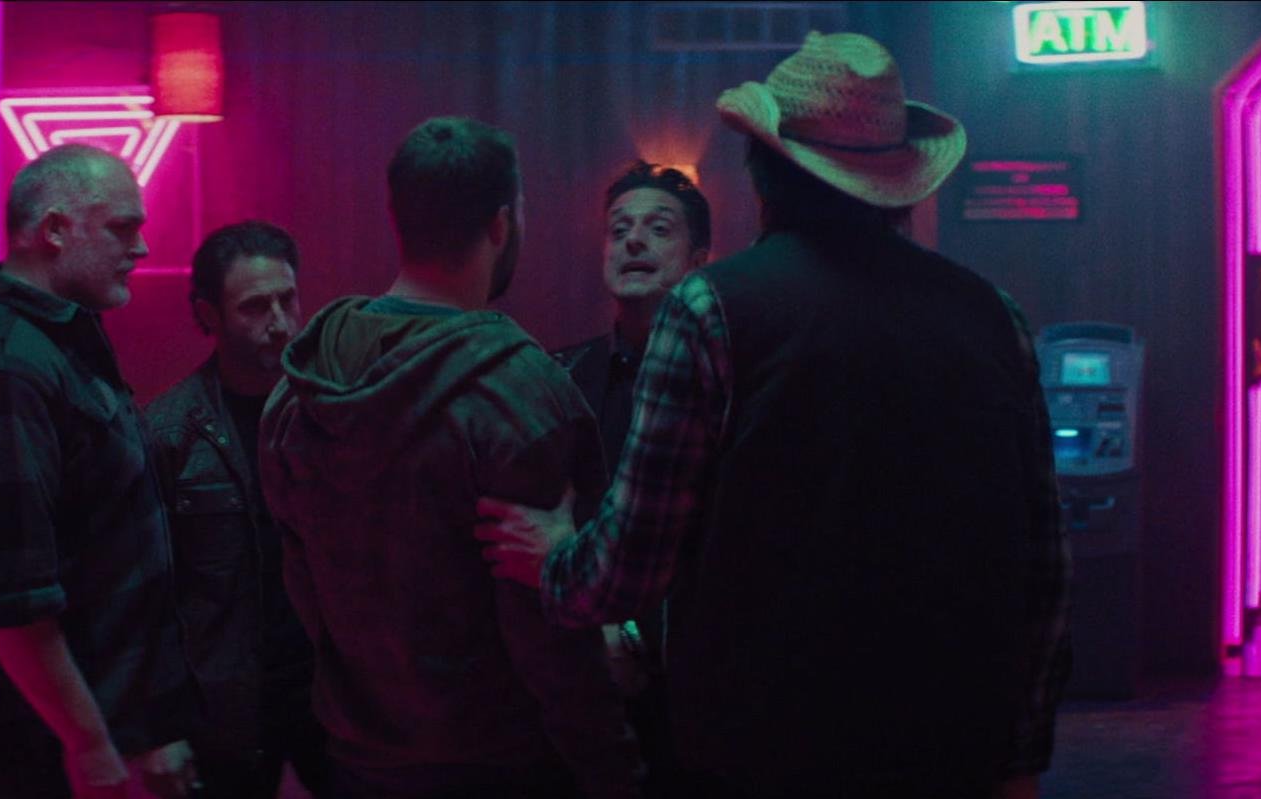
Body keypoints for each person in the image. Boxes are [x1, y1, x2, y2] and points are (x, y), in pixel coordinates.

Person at [478, 32, 1070, 799]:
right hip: (956, 742)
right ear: (900, 180)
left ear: (763, 172)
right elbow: (1044, 564)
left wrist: (555, 555)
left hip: (766, 748)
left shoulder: (714, 308)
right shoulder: (993, 315)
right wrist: (1022, 756)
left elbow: (628, 569)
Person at [258, 116, 643, 799]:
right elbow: (550, 632)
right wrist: (615, 770)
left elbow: (302, 587)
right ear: (501, 224)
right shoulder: (521, 397)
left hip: (359, 758)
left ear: (396, 217)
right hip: (504, 768)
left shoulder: (297, 390)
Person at [0, 144, 198, 799]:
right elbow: (11, 599)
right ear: (55, 230)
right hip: (29, 752)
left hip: (69, 734)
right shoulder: (4, 369)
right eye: (122, 228)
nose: (142, 248)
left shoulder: (53, 341)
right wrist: (90, 744)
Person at [146, 221, 329, 799]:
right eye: (254, 306)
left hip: (329, 688)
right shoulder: (170, 433)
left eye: (287, 299)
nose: (279, 321)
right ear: (209, 314)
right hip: (226, 701)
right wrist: (159, 726)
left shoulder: (334, 414)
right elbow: (148, 595)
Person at [550, 161, 711, 798]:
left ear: (698, 258)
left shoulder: (725, 380)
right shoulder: (564, 377)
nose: (634, 241)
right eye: (619, 230)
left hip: (693, 680)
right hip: (584, 674)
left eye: (658, 229)